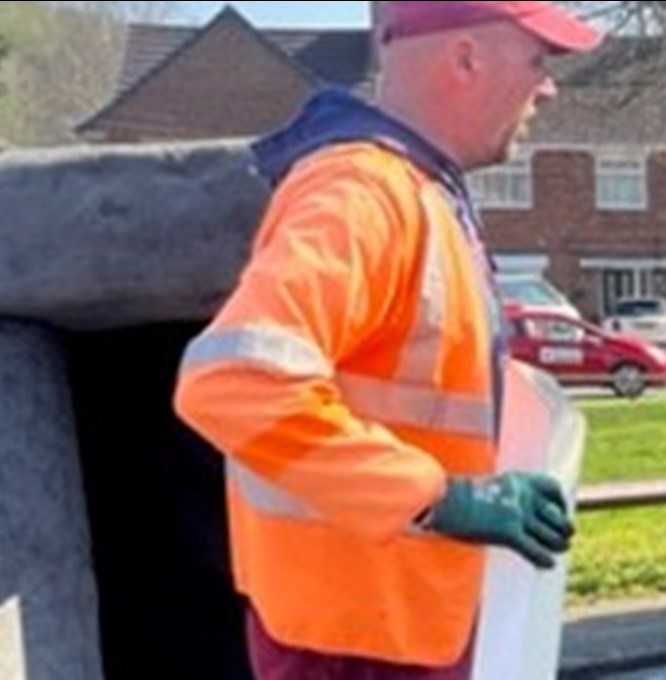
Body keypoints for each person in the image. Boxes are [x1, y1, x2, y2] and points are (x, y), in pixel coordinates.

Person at [172, 2, 598, 676]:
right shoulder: (362, 194)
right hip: (356, 648)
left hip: (385, 629)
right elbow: (233, 382)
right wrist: (444, 498)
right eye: (538, 60)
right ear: (465, 58)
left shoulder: (410, 193)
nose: (548, 87)